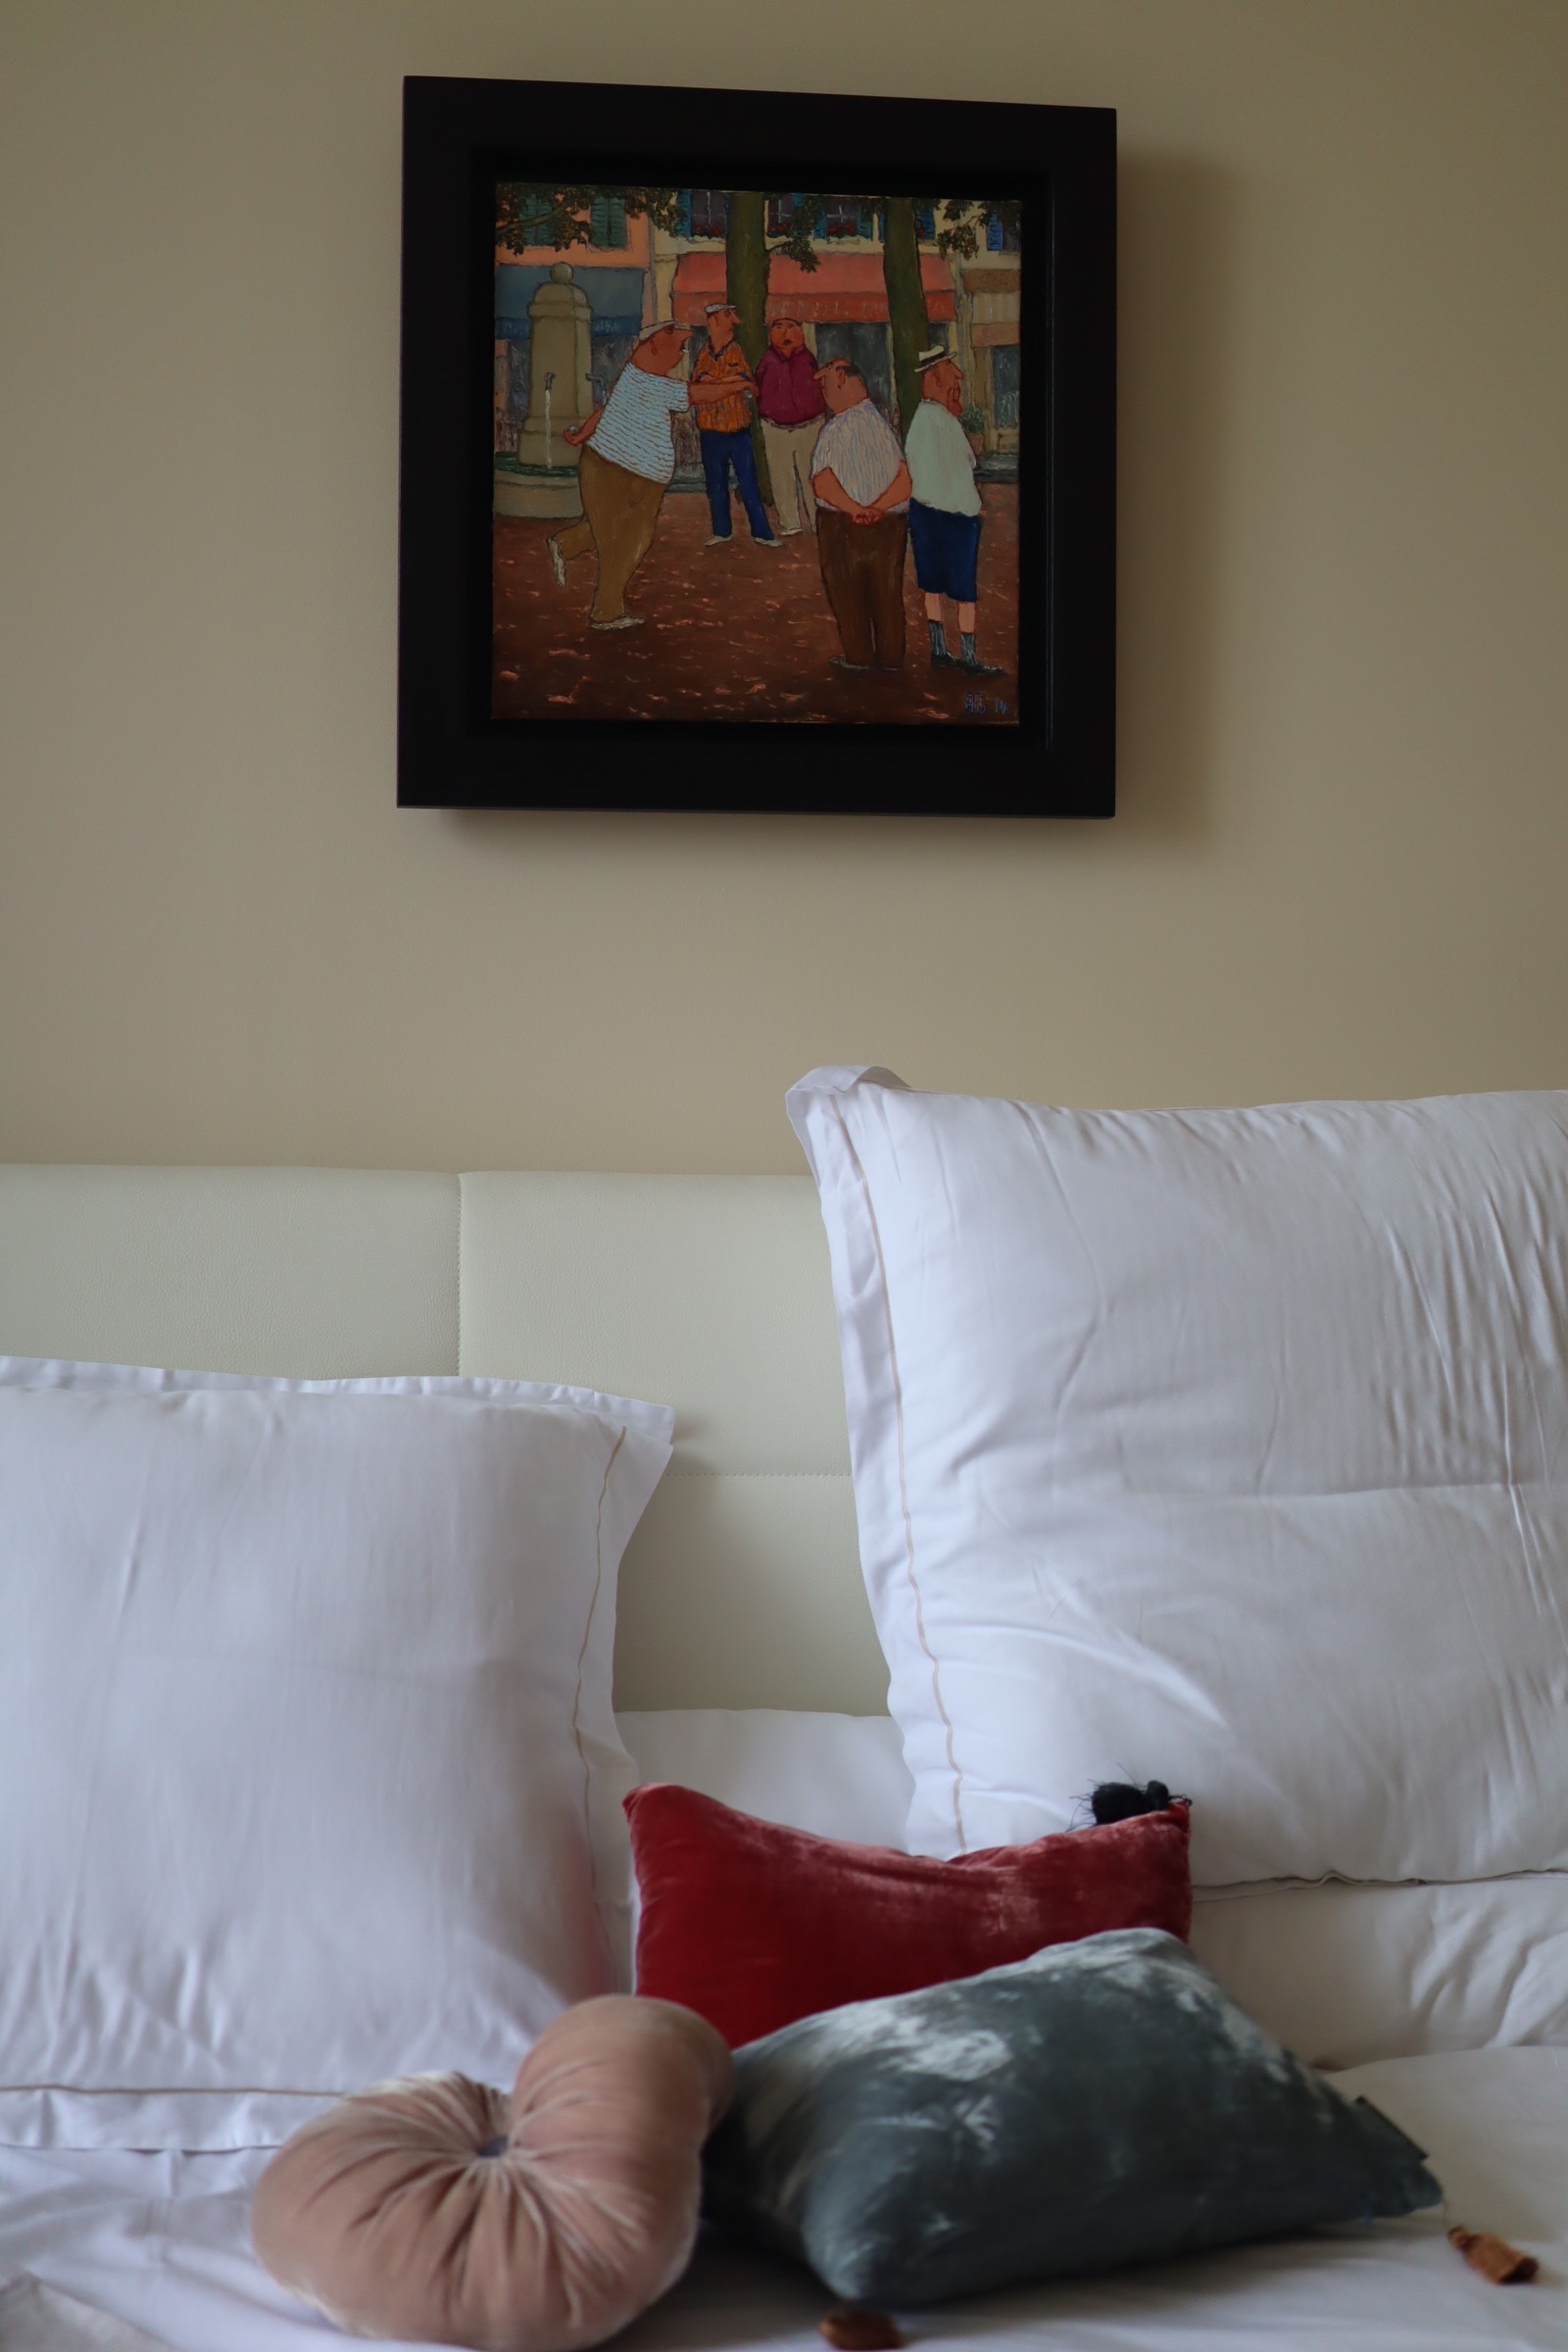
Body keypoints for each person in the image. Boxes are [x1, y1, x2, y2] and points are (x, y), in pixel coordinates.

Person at [545, 319, 748, 629]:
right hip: (611, 468)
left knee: (621, 533)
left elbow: (607, 410)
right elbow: (697, 394)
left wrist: (581, 435)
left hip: (639, 475)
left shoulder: (634, 378)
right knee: (624, 542)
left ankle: (565, 545)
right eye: (679, 347)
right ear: (653, 346)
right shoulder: (651, 383)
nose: (681, 356)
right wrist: (739, 385)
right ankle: (606, 612)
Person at [904, 345, 1003, 676]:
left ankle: (939, 650)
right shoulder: (944, 422)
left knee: (932, 583)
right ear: (934, 379)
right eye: (952, 377)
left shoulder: (922, 420)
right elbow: (967, 463)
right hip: (955, 518)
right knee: (962, 588)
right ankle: (968, 656)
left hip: (926, 514)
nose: (958, 382)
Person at [808, 357, 912, 671]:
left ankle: (859, 656)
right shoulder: (882, 427)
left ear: (842, 379)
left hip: (841, 525)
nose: (824, 394)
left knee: (847, 592)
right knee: (887, 593)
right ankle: (891, 657)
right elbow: (904, 480)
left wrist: (856, 511)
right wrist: (877, 508)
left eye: (826, 385)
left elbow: (822, 481)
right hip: (889, 524)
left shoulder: (834, 430)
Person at [691, 302, 777, 549]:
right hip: (710, 430)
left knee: (748, 483)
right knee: (715, 484)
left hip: (737, 430)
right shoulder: (704, 353)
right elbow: (698, 385)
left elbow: (747, 382)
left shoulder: (736, 351)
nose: (729, 325)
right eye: (724, 318)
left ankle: (762, 533)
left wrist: (719, 384)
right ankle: (722, 531)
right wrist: (731, 385)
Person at [753, 316, 825, 536]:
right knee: (781, 476)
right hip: (775, 427)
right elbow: (757, 387)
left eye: (791, 327)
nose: (785, 333)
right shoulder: (767, 360)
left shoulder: (808, 359)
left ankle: (818, 521)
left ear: (801, 331)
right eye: (778, 327)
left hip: (809, 426)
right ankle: (790, 522)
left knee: (811, 474)